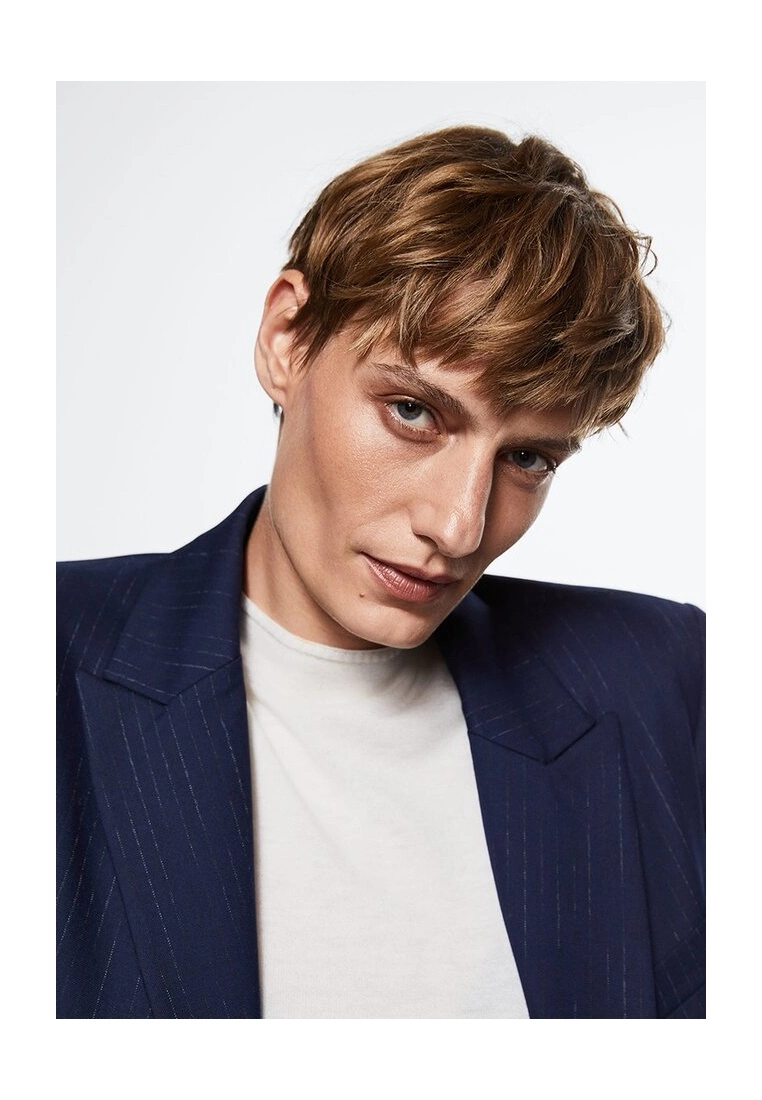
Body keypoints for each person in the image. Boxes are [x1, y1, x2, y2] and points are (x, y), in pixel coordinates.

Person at [56, 125, 705, 1019]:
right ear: (287, 339)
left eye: (528, 458)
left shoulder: (669, 682)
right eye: (413, 412)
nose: (458, 525)